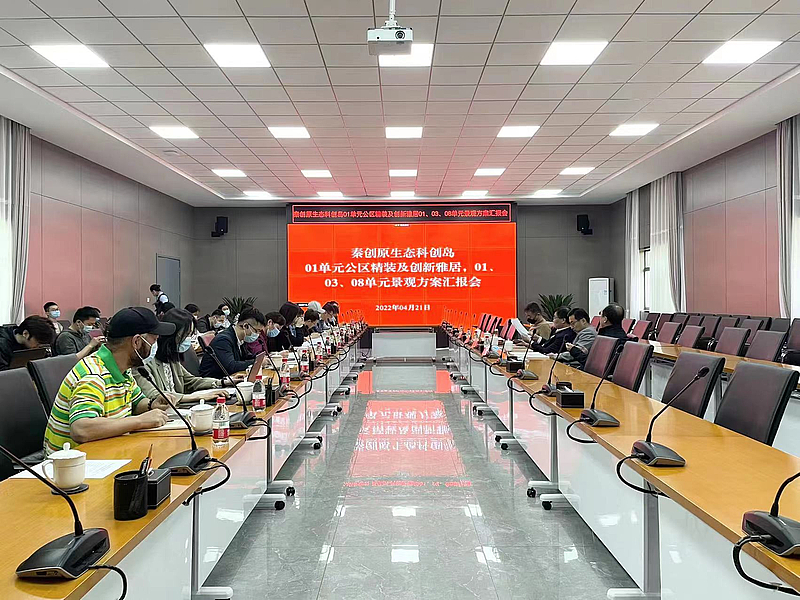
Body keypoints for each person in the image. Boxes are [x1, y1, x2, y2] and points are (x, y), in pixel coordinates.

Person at [42, 307, 176, 454]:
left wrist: (151, 404)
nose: (155, 345)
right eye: (154, 340)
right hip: (74, 464)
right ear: (137, 341)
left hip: (106, 452)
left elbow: (136, 402)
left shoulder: (122, 368)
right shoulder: (94, 375)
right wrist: (140, 421)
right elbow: (81, 429)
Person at [133, 308, 240, 405]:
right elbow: (154, 394)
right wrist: (194, 397)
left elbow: (190, 381)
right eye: (186, 335)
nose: (188, 339)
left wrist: (222, 382)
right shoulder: (145, 361)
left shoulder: (171, 357)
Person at [199, 307, 266, 379]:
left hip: (230, 378)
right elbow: (231, 367)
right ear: (246, 326)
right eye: (256, 331)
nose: (257, 334)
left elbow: (245, 358)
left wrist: (261, 359)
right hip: (215, 381)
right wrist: (256, 362)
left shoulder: (240, 338)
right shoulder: (223, 340)